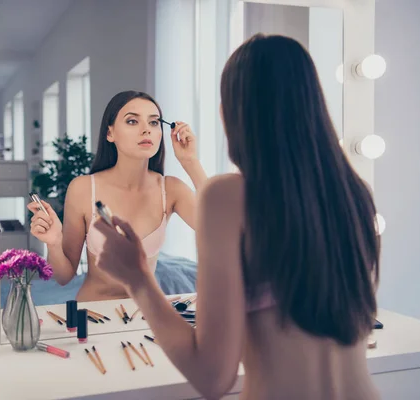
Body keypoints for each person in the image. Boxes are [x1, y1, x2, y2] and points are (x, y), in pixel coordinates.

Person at [93, 35, 381, 400]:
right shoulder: (354, 196)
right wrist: (192, 165)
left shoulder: (226, 198)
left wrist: (138, 278)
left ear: (232, 110)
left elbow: (213, 378)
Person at [28, 91, 207, 301]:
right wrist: (54, 242)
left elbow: (221, 230)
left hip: (148, 316)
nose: (146, 130)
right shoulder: (83, 188)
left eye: (154, 122)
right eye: (132, 121)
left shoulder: (171, 190)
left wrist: (190, 162)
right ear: (110, 133)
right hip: (94, 313)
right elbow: (63, 276)